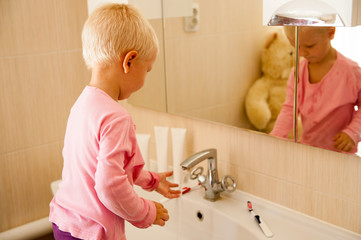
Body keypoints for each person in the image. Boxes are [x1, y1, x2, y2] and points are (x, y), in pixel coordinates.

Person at [49, 4, 181, 240]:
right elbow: (110, 186)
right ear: (129, 61)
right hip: (93, 231)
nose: (146, 78)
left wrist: (150, 180)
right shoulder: (116, 117)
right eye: (147, 70)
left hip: (64, 221)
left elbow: (101, 165)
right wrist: (146, 212)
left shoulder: (82, 104)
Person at [271, 26, 361, 153]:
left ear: (331, 33)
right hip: (309, 150)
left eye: (310, 46)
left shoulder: (351, 71)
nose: (301, 53)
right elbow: (290, 108)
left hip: (342, 154)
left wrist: (353, 132)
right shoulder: (298, 72)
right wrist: (275, 137)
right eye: (296, 46)